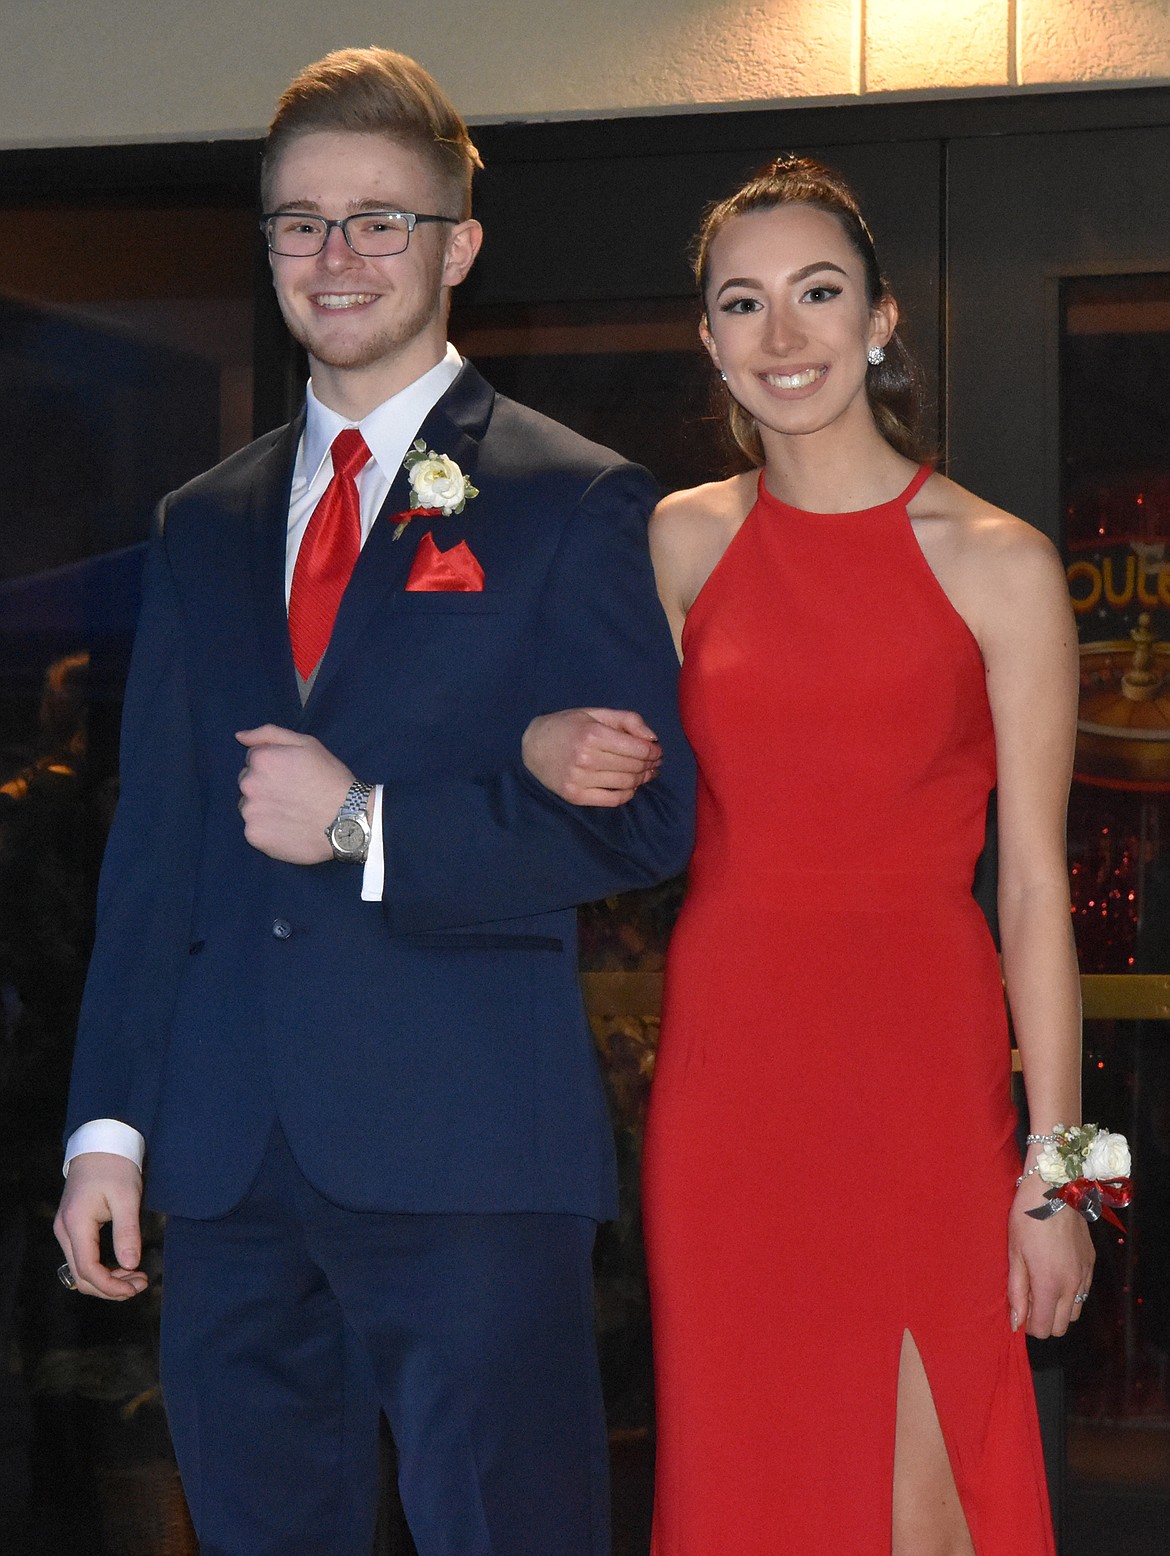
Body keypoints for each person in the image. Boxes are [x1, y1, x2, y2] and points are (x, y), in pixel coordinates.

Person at [52, 46, 694, 1556]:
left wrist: (367, 827)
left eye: (378, 221)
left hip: (467, 1152)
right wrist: (109, 1134)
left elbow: (642, 824)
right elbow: (154, 853)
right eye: (300, 222)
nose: (336, 257)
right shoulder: (197, 521)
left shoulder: (572, 500)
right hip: (221, 1162)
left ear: (457, 246)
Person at [526, 156, 1094, 1555]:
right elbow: (575, 768)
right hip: (729, 1087)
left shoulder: (997, 561)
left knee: (924, 1502)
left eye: (817, 295)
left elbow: (1033, 892)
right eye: (744, 303)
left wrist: (1066, 1175)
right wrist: (544, 740)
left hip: (923, 1079)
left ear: (881, 318)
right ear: (708, 339)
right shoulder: (673, 544)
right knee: (744, 1486)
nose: (784, 339)